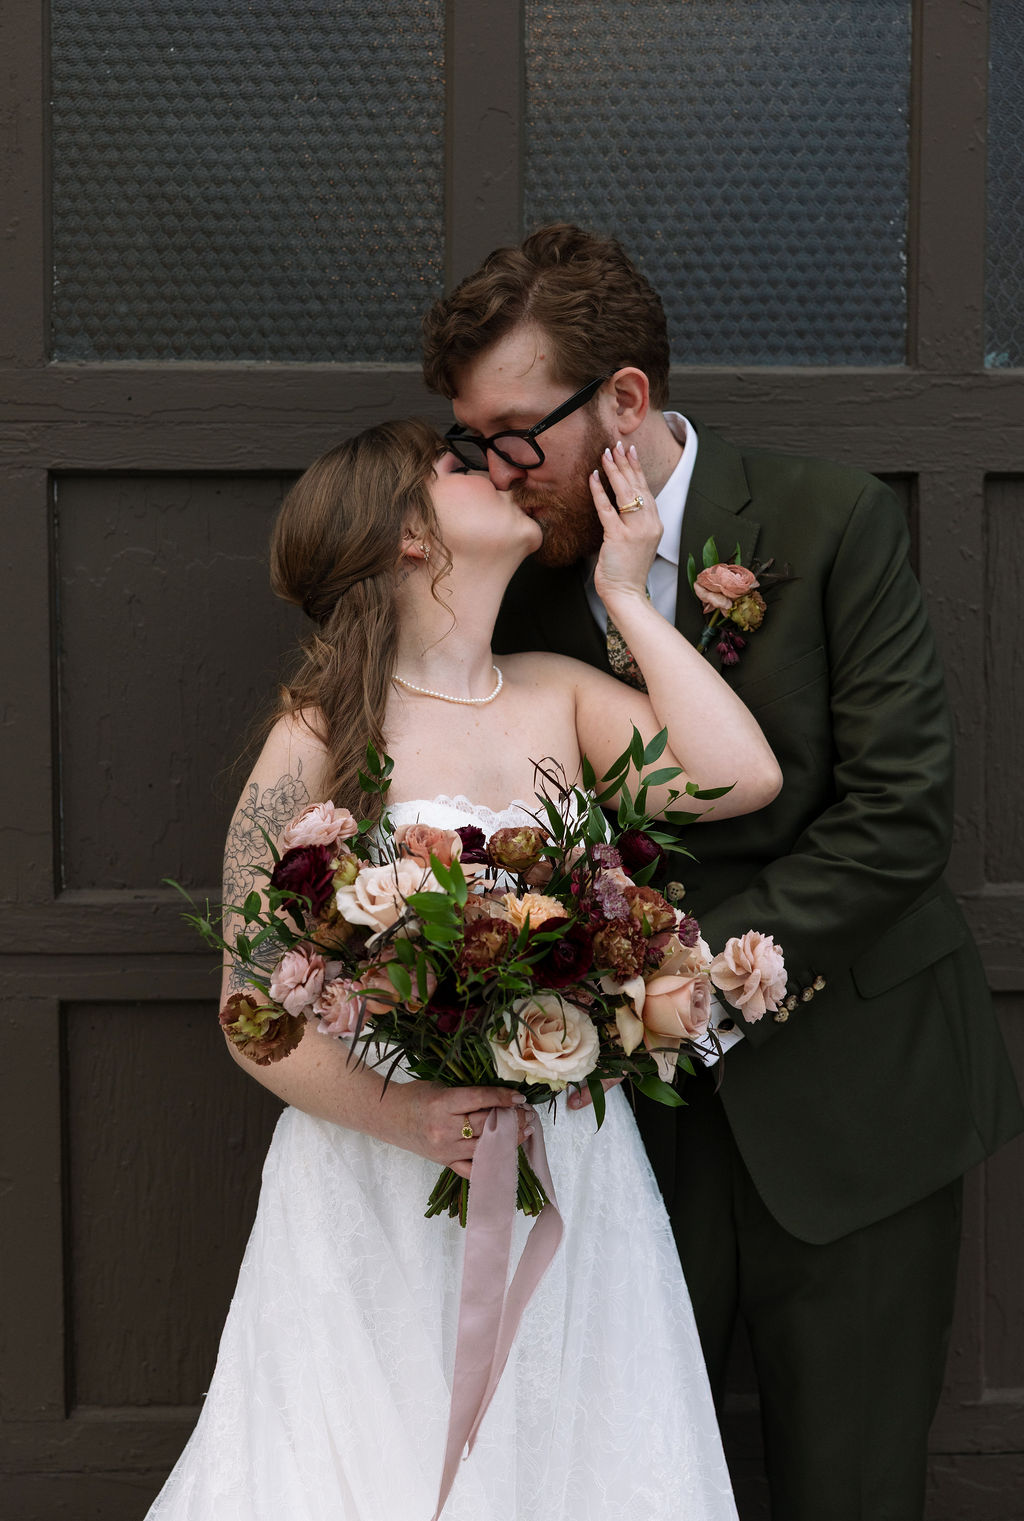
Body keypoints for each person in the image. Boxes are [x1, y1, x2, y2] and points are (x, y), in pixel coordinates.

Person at [420, 223, 1024, 1521]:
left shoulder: (832, 518)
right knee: (631, 1481)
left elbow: (899, 816)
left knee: (852, 1486)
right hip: (623, 1136)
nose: (490, 472)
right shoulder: (502, 574)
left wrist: (679, 977)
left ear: (624, 403)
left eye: (516, 434)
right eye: (468, 440)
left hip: (858, 1100)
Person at [144, 417, 783, 1521]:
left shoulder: (556, 694)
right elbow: (249, 1005)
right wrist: (402, 1113)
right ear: (402, 538)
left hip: (569, 1162)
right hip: (381, 1176)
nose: (499, 468)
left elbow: (739, 774)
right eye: (457, 465)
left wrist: (628, 594)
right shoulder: (315, 736)